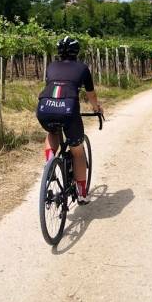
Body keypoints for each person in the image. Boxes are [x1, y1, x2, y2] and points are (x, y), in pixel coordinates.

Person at [36, 36, 103, 205]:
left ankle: (50, 162)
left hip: (44, 107)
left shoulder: (51, 66)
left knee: (52, 131)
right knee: (77, 152)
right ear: (76, 51)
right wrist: (96, 108)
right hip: (69, 110)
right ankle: (81, 193)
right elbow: (91, 94)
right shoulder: (82, 68)